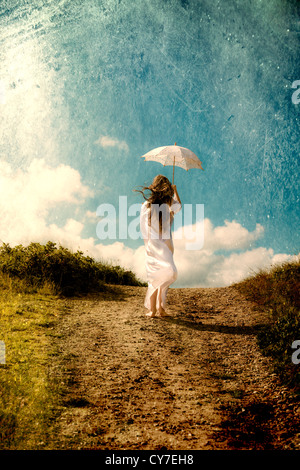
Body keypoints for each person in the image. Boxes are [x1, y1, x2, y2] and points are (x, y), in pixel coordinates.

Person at [136, 175, 182, 317]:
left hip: (155, 245)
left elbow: (143, 227)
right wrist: (175, 191)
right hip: (164, 245)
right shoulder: (166, 204)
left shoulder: (148, 205)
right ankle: (157, 309)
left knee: (157, 276)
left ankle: (157, 310)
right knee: (162, 275)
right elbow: (178, 208)